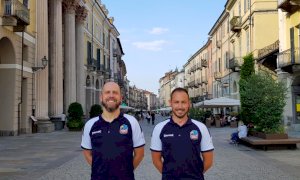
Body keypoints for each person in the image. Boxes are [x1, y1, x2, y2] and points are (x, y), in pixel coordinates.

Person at [81, 81, 145, 180]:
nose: (111, 95)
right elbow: (87, 153)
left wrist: (126, 171)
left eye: (115, 92)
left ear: (121, 98)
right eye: (107, 92)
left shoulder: (132, 122)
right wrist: (100, 170)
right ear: (101, 97)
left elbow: (139, 153)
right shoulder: (90, 125)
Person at [150, 87, 214, 180]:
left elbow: (208, 161)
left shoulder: (201, 128)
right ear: (170, 103)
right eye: (176, 102)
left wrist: (195, 175)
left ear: (189, 104)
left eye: (183, 102)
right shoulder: (159, 128)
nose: (180, 106)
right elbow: (156, 160)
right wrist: (168, 175)